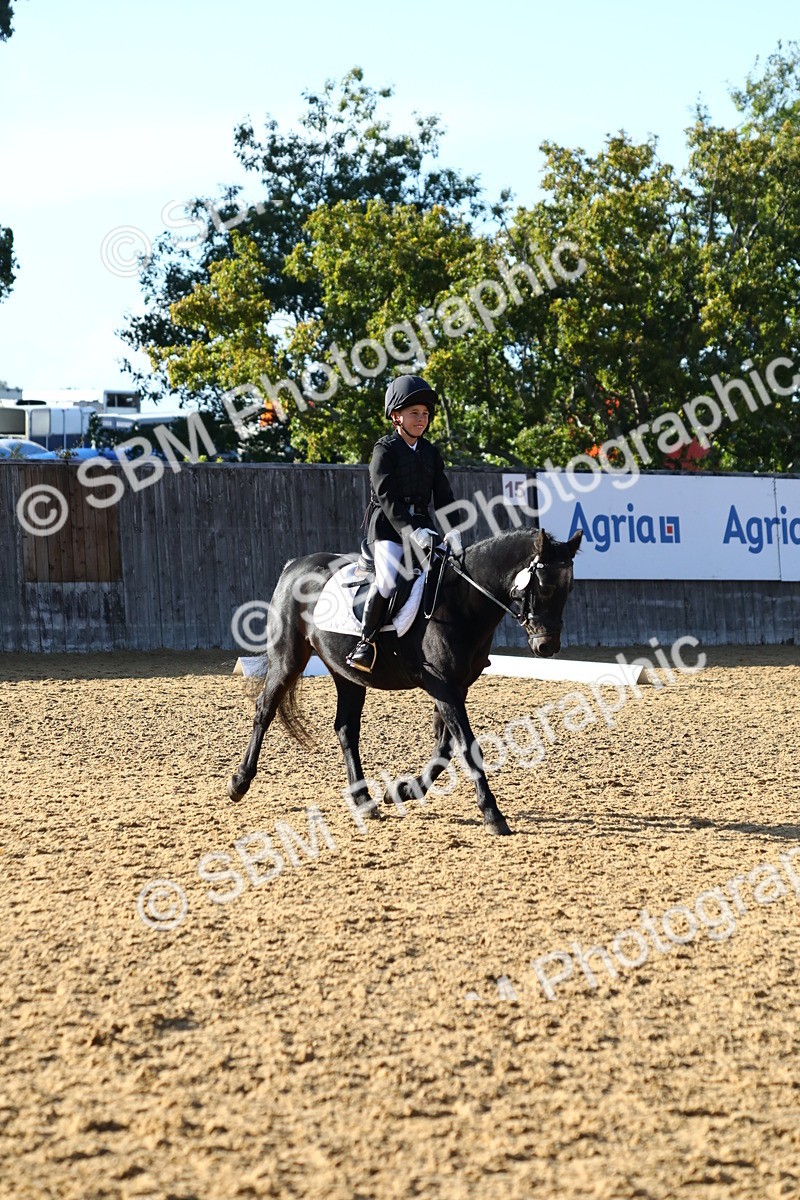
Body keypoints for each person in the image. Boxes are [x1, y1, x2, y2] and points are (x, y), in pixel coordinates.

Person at [346, 375, 463, 673]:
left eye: (425, 414)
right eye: (414, 413)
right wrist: (413, 531)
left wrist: (453, 529)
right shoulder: (384, 450)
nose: (421, 419)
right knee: (387, 579)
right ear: (396, 416)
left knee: (450, 576)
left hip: (425, 528)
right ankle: (366, 642)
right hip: (388, 529)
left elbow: (445, 495)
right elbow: (386, 498)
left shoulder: (431, 453)